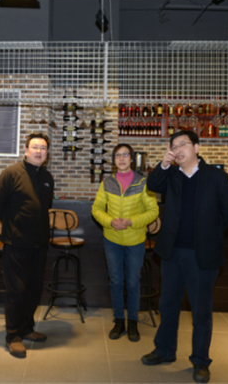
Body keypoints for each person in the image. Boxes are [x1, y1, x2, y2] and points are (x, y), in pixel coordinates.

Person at [141, 130, 228, 384]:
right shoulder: (171, 175)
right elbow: (152, 185)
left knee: (201, 310)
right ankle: (164, 350)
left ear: (196, 147)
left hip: (202, 255)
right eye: (173, 146)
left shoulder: (215, 176)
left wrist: (210, 234)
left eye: (182, 144)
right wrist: (163, 165)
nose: (178, 149)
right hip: (172, 253)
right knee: (168, 304)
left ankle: (201, 361)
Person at [0, 133, 55, 359]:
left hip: (40, 243)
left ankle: (27, 328)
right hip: (16, 242)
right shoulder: (11, 173)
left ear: (47, 154)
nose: (39, 151)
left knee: (34, 288)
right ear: (26, 150)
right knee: (16, 290)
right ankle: (13, 336)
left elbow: (46, 206)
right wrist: (13, 224)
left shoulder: (47, 177)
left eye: (43, 148)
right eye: (35, 147)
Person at [92, 143, 159, 342]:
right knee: (115, 281)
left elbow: (153, 211)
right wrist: (110, 221)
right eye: (118, 155)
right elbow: (96, 209)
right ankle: (119, 320)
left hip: (135, 241)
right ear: (114, 160)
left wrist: (131, 222)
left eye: (125, 155)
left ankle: (133, 323)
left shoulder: (143, 183)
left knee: (132, 282)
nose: (121, 158)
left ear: (132, 159)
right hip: (111, 240)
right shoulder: (107, 183)